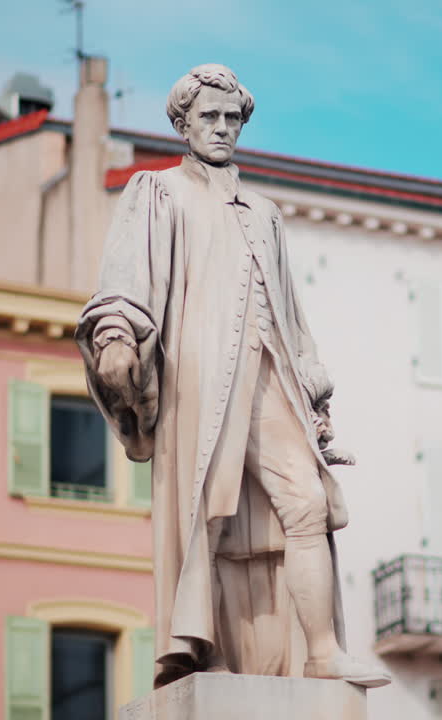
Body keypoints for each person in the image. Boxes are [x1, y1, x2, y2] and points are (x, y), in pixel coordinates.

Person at [75, 63, 390, 689]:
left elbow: (291, 312)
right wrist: (114, 337)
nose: (221, 129)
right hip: (198, 375)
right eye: (208, 117)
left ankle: (322, 652)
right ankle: (205, 648)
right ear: (183, 124)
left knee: (306, 505)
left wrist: (314, 391)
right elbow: (123, 279)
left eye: (231, 118)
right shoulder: (156, 191)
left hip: (269, 374)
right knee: (209, 518)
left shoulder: (264, 212)